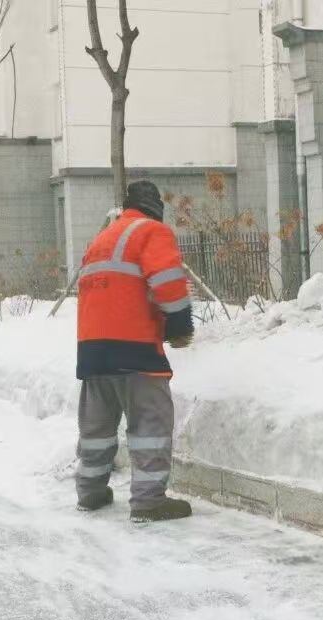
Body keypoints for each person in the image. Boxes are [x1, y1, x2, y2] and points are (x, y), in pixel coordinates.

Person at [74, 180, 195, 523]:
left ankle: (90, 492)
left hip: (92, 350)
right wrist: (180, 325)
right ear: (155, 207)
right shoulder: (151, 231)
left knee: (96, 426)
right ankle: (148, 502)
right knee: (150, 424)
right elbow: (168, 279)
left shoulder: (102, 238)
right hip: (134, 346)